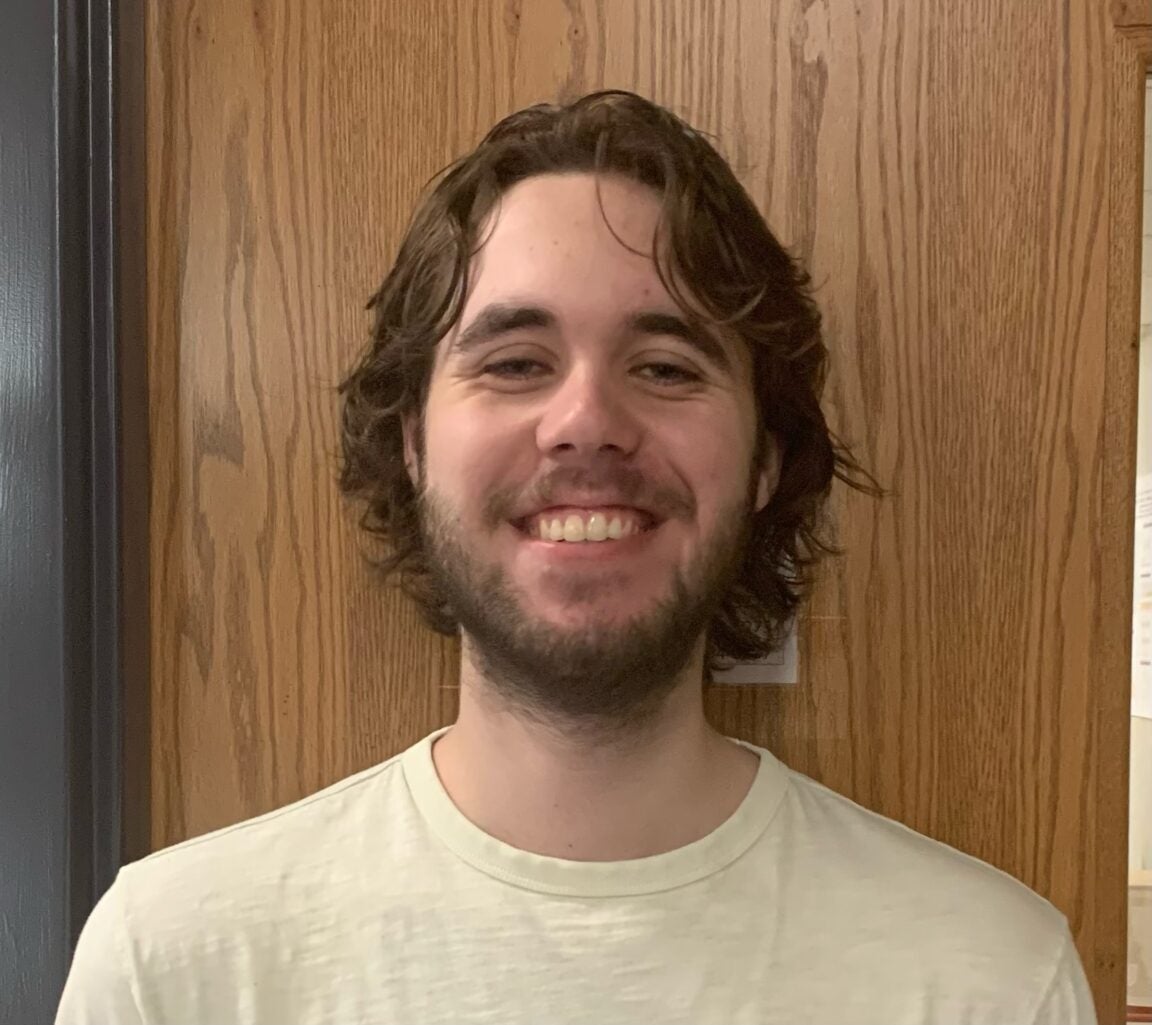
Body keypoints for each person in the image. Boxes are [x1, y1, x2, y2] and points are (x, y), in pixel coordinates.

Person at [56, 90, 1096, 1025]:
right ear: (414, 444)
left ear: (768, 458)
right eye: (515, 362)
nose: (587, 420)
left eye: (665, 364)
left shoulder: (987, 979)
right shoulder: (175, 966)